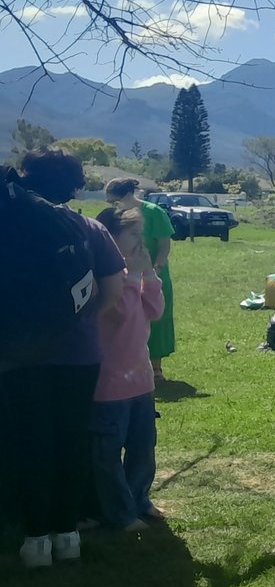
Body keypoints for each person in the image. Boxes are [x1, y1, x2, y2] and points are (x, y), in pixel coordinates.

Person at [10, 150, 125, 568]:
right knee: (72, 438)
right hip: (78, 353)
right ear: (74, 187)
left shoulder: (10, 225)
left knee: (31, 441)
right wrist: (79, 322)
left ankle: (35, 540)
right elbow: (113, 291)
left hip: (19, 353)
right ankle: (68, 535)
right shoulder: (88, 228)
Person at [89, 207, 167, 531]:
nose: (141, 239)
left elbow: (155, 310)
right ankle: (118, 512)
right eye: (133, 233)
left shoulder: (133, 273)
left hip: (141, 379)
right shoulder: (102, 276)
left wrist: (148, 274)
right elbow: (119, 311)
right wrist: (134, 275)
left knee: (142, 445)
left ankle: (139, 499)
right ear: (111, 238)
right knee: (107, 451)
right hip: (110, 382)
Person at [105, 177, 175, 383]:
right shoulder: (117, 217)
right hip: (126, 273)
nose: (113, 206)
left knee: (157, 319)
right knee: (128, 318)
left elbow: (164, 245)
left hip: (153, 273)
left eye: (114, 201)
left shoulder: (154, 212)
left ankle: (156, 367)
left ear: (128, 195)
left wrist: (155, 268)